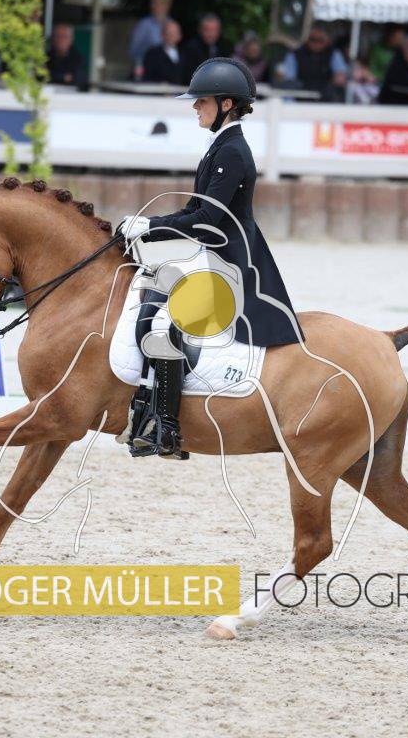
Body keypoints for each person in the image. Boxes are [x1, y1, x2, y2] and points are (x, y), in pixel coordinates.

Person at [116, 59, 303, 459]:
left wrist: (149, 226)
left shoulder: (232, 151)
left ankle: (167, 428)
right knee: (150, 297)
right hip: (211, 252)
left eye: (202, 101)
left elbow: (205, 219)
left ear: (226, 104)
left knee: (166, 322)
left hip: (231, 262)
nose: (195, 107)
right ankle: (147, 408)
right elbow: (192, 212)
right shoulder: (219, 146)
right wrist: (148, 228)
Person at [276, 27, 348, 102]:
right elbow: (289, 79)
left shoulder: (334, 54)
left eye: (320, 40)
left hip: (326, 99)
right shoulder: (295, 55)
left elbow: (341, 76)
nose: (316, 43)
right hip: (301, 98)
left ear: (327, 41)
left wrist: (339, 77)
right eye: (313, 39)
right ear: (307, 40)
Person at [129, 0, 173, 80]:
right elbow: (134, 51)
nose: (154, 6)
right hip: (148, 72)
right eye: (153, 3)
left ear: (167, 5)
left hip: (168, 72)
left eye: (158, 3)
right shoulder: (143, 25)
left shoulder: (171, 24)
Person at [181, 13, 231, 82]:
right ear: (200, 30)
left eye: (213, 30)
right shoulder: (191, 48)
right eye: (207, 30)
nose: (210, 34)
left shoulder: (224, 47)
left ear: (219, 31)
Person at [140, 20, 185, 85]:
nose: (171, 36)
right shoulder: (153, 54)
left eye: (174, 33)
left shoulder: (185, 54)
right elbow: (147, 76)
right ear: (162, 35)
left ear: (179, 36)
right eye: (168, 33)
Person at [47, 22, 87, 90]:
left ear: (71, 39)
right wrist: (64, 77)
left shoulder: (78, 58)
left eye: (65, 37)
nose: (61, 40)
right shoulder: (45, 57)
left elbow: (78, 80)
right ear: (53, 38)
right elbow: (42, 77)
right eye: (58, 36)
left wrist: (55, 76)